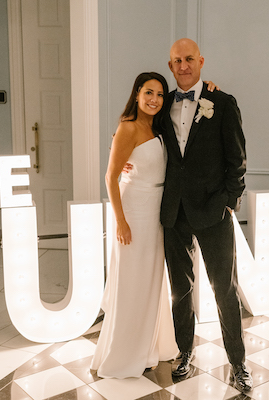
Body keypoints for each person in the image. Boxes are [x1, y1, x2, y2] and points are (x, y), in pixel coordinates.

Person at [161, 38, 252, 392]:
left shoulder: (222, 103)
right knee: (180, 289)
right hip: (173, 213)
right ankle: (185, 352)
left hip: (214, 211)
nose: (183, 66)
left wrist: (228, 201)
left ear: (200, 61)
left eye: (188, 59)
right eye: (176, 61)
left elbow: (237, 161)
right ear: (170, 67)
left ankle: (238, 363)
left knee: (224, 289)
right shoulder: (161, 105)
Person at [91, 72, 179, 378]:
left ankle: (149, 346)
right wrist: (121, 222)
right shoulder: (127, 127)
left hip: (155, 212)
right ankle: (126, 353)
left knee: (151, 280)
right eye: (148, 93)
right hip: (134, 211)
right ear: (137, 94)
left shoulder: (158, 127)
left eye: (160, 94)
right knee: (133, 281)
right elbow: (110, 177)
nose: (154, 99)